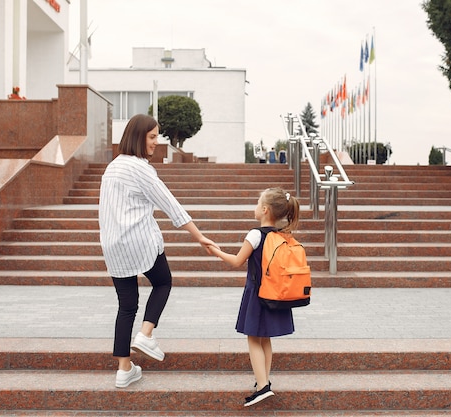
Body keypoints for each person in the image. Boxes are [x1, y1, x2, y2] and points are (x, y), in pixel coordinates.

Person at [98, 114, 217, 388]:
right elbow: (170, 203)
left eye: (156, 137)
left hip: (113, 245)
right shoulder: (140, 169)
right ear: (138, 137)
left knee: (126, 306)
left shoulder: (113, 167)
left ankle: (124, 369)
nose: (155, 142)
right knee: (163, 282)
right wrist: (199, 236)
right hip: (139, 240)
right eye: (152, 137)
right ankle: (146, 334)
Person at [208, 187, 300, 407]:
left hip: (257, 293)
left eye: (258, 203)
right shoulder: (282, 235)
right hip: (274, 294)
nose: (255, 207)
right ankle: (264, 380)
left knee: (253, 338)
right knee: (265, 338)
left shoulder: (256, 234)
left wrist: (216, 251)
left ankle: (262, 386)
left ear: (265, 210)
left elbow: (238, 261)